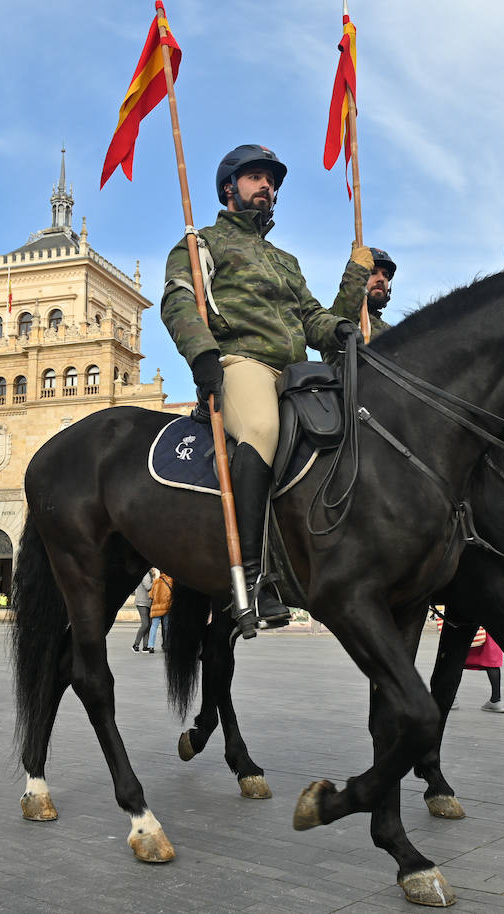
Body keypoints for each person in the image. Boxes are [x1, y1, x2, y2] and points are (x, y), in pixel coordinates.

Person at [160, 143, 367, 631]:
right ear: (229, 187)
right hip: (242, 360)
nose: (267, 187)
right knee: (259, 429)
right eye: (255, 177)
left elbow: (311, 317)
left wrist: (336, 328)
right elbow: (178, 301)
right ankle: (253, 576)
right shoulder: (201, 243)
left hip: (295, 372)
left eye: (271, 181)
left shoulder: (285, 260)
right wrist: (203, 355)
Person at [327, 247, 396, 359]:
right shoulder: (334, 318)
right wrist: (358, 269)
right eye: (372, 272)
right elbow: (347, 305)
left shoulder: (390, 332)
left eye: (386, 275)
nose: (381, 279)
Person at [458, 626, 504, 713]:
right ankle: (496, 700)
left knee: (456, 659)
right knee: (492, 661)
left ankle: (450, 697)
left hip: (471, 625)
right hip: (492, 627)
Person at [147, 571, 174, 653]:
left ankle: (150, 646)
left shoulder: (156, 581)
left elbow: (150, 595)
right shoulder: (171, 581)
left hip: (156, 608)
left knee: (154, 626)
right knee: (166, 627)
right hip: (166, 607)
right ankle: (166, 645)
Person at [131, 569, 154, 653]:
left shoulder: (150, 574)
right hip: (142, 602)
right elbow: (148, 586)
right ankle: (135, 644)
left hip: (147, 602)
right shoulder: (146, 574)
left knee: (148, 625)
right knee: (145, 624)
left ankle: (145, 646)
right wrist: (156, 582)